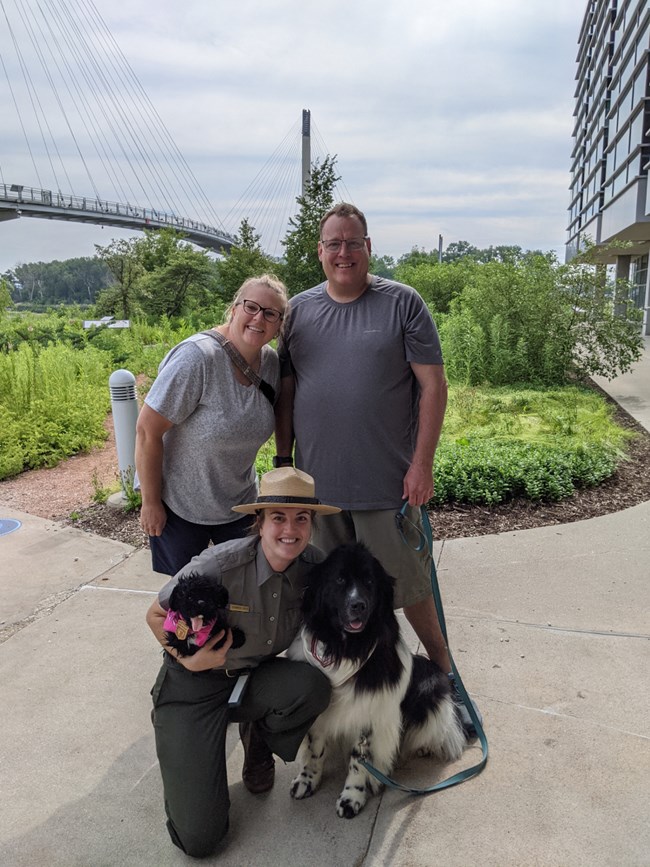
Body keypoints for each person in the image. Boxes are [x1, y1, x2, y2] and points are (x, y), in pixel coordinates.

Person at [274, 202, 481, 733]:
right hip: (318, 494)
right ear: (319, 252)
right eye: (332, 244)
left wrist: (422, 465)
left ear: (369, 247)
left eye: (352, 242)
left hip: (388, 487)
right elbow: (288, 392)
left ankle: (446, 675)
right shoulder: (297, 313)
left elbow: (433, 386)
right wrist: (282, 462)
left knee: (411, 591)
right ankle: (340, 690)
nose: (343, 252)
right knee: (326, 599)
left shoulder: (402, 304)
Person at [145, 467, 340, 859]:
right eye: (279, 518)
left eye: (302, 518)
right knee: (200, 839)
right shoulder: (220, 564)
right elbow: (154, 614)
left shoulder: (315, 569)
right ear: (259, 521)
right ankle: (195, 755)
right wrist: (193, 659)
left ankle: (258, 741)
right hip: (193, 684)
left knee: (312, 688)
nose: (291, 529)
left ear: (312, 524)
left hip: (253, 677)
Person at [135, 274, 288, 576]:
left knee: (241, 596)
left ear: (278, 326)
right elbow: (146, 431)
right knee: (183, 603)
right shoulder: (198, 359)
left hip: (239, 504)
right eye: (251, 307)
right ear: (234, 309)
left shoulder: (271, 365)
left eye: (271, 313)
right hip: (179, 507)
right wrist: (150, 502)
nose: (259, 318)